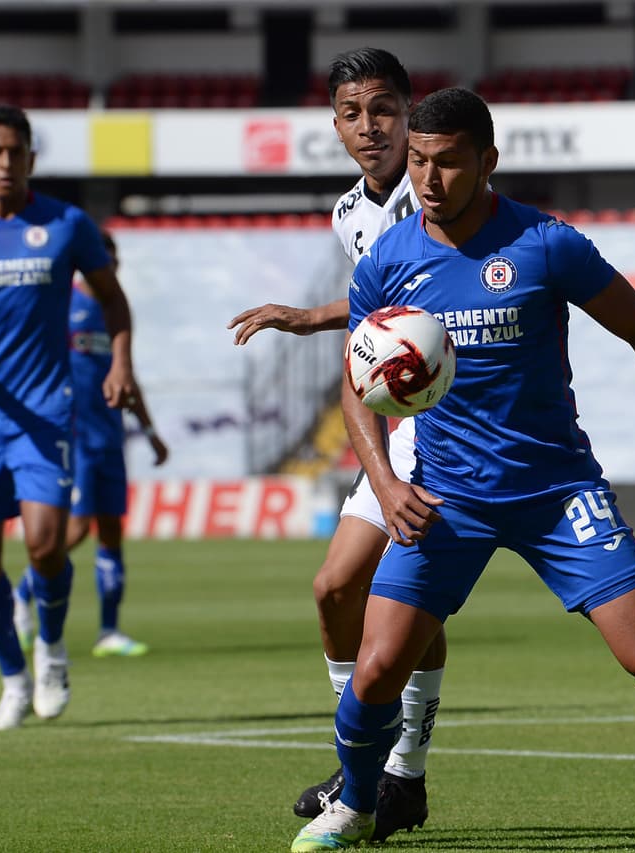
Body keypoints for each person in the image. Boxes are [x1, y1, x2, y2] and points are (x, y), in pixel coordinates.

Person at [291, 87, 635, 852]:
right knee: (375, 673)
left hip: (556, 492)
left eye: (446, 163)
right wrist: (383, 479)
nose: (429, 180)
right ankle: (356, 804)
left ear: (488, 162)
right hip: (446, 499)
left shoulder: (545, 243)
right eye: (418, 162)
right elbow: (357, 378)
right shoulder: (388, 259)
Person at [229, 48, 441, 842]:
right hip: (396, 422)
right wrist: (311, 316)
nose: (369, 126)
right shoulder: (349, 212)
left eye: (383, 108)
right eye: (353, 113)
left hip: (449, 421)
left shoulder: (438, 190)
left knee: (404, 593)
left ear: (410, 109)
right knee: (333, 593)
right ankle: (376, 767)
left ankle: (395, 774)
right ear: (335, 124)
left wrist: (305, 317)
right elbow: (372, 312)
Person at [0, 104, 135, 731]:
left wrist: (120, 364)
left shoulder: (67, 224)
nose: (6, 162)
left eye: (16, 151)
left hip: (45, 410)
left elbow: (116, 305)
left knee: (45, 543)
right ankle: (12, 676)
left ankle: (52, 651)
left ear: (31, 159)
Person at [13, 229, 169, 658]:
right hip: (74, 438)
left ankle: (108, 631)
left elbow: (127, 376)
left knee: (112, 533)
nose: (111, 269)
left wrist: (150, 431)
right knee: (79, 528)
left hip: (109, 439)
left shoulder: (113, 311)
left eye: (114, 262)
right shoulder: (64, 307)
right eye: (105, 261)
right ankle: (21, 591)